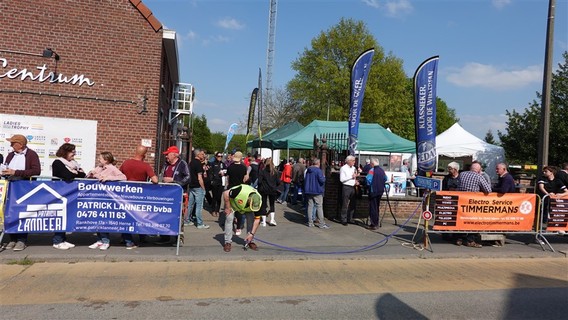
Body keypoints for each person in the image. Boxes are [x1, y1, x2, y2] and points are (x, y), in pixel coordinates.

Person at [1, 134, 41, 251]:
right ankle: (12, 239)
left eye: (13, 143)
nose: (11, 145)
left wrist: (16, 172)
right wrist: (5, 171)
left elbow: (36, 171)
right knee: (10, 212)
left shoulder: (31, 154)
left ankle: (21, 240)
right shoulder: (10, 154)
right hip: (10, 185)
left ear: (21, 144)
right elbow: (6, 167)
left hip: (23, 187)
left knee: (22, 213)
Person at [119, 145, 159, 249]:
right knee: (141, 216)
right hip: (139, 195)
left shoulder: (126, 163)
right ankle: (141, 237)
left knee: (126, 217)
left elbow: (119, 175)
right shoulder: (145, 166)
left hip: (125, 194)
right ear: (144, 155)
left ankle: (126, 238)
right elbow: (155, 180)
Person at [87, 152, 127, 250]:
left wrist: (108, 178)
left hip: (106, 198)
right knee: (97, 219)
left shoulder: (111, 168)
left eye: (100, 158)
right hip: (96, 197)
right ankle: (99, 240)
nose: (98, 160)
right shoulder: (99, 167)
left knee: (103, 219)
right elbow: (90, 175)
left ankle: (105, 241)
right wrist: (91, 174)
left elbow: (123, 177)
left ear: (106, 160)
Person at [51, 143, 86, 250]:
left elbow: (83, 174)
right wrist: (76, 173)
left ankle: (63, 239)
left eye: (74, 152)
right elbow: (68, 175)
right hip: (60, 192)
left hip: (70, 193)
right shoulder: (58, 162)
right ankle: (57, 241)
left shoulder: (73, 163)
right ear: (65, 152)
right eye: (72, 152)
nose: (74, 154)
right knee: (60, 215)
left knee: (66, 216)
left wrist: (76, 173)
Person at [456, 162, 492, 248]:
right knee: (474, 222)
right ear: (479, 170)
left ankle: (459, 239)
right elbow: (488, 190)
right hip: (473, 203)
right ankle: (470, 240)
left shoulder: (462, 174)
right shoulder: (479, 176)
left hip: (461, 201)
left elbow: (458, 185)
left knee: (461, 220)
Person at [222, 184, 263, 252]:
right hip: (233, 204)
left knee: (251, 220)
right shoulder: (240, 191)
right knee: (229, 218)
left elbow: (257, 220)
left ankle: (250, 240)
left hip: (246, 208)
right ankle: (227, 242)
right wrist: (228, 207)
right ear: (249, 200)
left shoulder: (259, 202)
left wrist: (251, 234)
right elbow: (226, 193)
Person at [226, 151, 248, 235]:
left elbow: (228, 178)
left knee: (231, 208)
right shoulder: (243, 168)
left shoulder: (230, 167)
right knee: (239, 209)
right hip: (240, 189)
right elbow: (245, 179)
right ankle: (238, 228)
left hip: (231, 188)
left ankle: (230, 225)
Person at [303, 159, 329, 229]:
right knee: (319, 207)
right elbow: (322, 180)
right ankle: (321, 223)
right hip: (317, 190)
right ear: (318, 163)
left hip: (309, 190)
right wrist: (324, 177)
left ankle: (310, 222)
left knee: (310, 206)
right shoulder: (318, 171)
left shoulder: (308, 170)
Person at [257, 158, 279, 227]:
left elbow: (259, 181)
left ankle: (263, 222)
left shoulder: (262, 171)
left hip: (264, 190)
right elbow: (278, 182)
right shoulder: (275, 172)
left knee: (263, 205)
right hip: (272, 190)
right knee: (272, 204)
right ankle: (272, 219)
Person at [339, 155, 359, 226]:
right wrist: (351, 177)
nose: (354, 162)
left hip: (353, 187)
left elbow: (354, 177)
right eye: (353, 160)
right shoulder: (343, 168)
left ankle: (350, 218)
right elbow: (341, 179)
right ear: (349, 161)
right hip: (346, 187)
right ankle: (343, 219)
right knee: (345, 203)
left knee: (353, 204)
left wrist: (355, 181)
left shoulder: (353, 168)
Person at [367, 158, 387, 231]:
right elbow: (385, 178)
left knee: (373, 208)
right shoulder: (382, 170)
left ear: (372, 164)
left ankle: (374, 224)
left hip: (373, 191)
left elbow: (368, 180)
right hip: (380, 191)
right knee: (377, 207)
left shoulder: (372, 170)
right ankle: (376, 223)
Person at [208, 151, 226, 218]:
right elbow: (210, 173)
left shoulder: (223, 164)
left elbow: (226, 171)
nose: (220, 157)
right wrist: (211, 180)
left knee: (219, 197)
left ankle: (217, 210)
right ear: (215, 156)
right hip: (214, 182)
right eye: (218, 156)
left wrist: (223, 173)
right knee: (214, 197)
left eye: (221, 156)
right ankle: (213, 210)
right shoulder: (212, 164)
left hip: (221, 182)